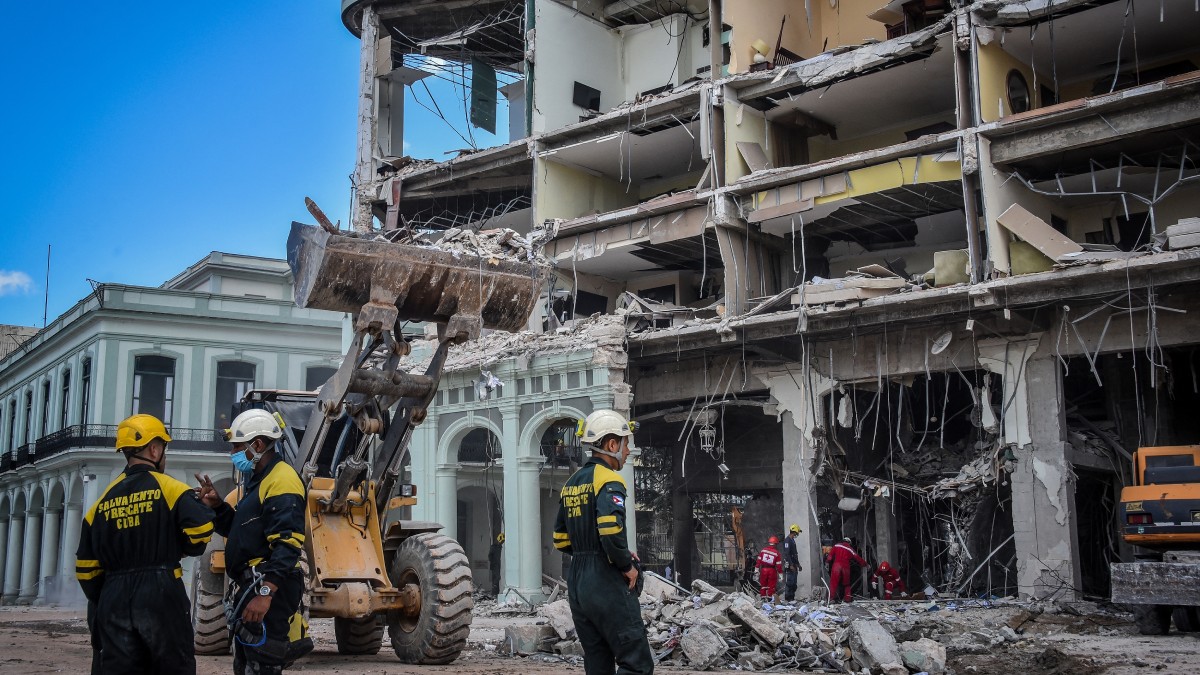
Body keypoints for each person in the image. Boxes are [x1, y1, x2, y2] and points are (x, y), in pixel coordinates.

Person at [75, 413, 215, 674]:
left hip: (112, 597)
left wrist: (109, 594)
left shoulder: (100, 504)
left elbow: (85, 569)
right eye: (164, 448)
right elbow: (201, 530)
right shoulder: (172, 489)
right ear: (154, 449)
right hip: (161, 593)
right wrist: (181, 541)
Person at [197, 409, 309, 675]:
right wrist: (218, 507)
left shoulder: (282, 480)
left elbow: (288, 544)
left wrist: (266, 594)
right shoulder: (259, 481)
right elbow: (243, 532)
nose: (233, 453)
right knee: (247, 666)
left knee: (263, 665)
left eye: (237, 446)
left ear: (257, 445)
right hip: (254, 587)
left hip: (266, 590)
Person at [552, 409, 654, 675]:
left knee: (598, 663)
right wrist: (625, 563)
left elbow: (560, 539)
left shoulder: (572, 483)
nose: (628, 450)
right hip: (605, 579)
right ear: (611, 444)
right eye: (626, 443)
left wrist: (589, 548)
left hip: (578, 582)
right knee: (637, 663)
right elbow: (610, 529)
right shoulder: (609, 480)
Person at [825, 536, 867, 603]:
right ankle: (847, 599)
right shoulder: (850, 549)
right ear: (849, 543)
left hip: (836, 566)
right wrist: (865, 564)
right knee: (846, 584)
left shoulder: (836, 545)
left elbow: (830, 555)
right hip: (845, 567)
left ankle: (831, 599)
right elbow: (857, 558)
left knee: (833, 583)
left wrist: (827, 562)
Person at [755, 536, 783, 602]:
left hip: (763, 570)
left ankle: (763, 598)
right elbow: (778, 565)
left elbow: (758, 561)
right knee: (771, 585)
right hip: (772, 570)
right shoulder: (776, 553)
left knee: (763, 584)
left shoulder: (763, 550)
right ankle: (770, 598)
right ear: (775, 544)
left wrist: (756, 570)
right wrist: (781, 575)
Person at [780, 524, 802, 602]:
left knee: (794, 583)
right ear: (794, 532)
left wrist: (798, 564)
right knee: (790, 582)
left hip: (794, 564)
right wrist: (791, 565)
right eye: (797, 532)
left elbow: (794, 554)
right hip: (790, 565)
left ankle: (792, 598)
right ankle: (787, 598)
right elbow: (787, 554)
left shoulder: (792, 541)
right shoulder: (787, 541)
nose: (797, 534)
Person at [489, 532, 505, 597]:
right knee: (496, 578)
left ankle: (496, 592)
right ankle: (494, 593)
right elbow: (490, 556)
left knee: (498, 578)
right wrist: (493, 563)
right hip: (496, 565)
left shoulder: (500, 547)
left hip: (499, 564)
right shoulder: (494, 547)